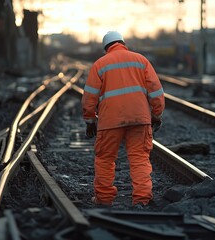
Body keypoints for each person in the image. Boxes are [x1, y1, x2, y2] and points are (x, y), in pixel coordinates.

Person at [81, 31, 165, 207]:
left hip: (110, 121)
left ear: (106, 48)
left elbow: (89, 97)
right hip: (139, 119)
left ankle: (104, 199)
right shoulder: (141, 61)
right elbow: (156, 91)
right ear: (123, 42)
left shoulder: (100, 64)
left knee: (105, 159)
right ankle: (142, 200)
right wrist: (156, 114)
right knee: (140, 158)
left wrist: (90, 119)